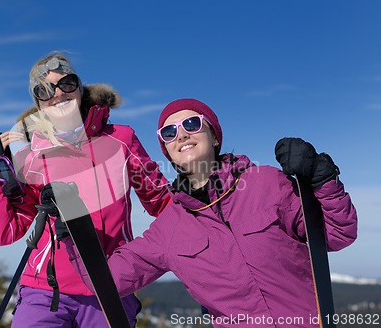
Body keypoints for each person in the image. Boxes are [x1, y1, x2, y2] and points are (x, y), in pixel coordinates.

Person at [52, 98, 358, 327]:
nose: (181, 135)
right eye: (169, 132)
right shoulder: (169, 228)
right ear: (167, 151)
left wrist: (320, 178)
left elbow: (338, 233)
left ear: (214, 135)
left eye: (192, 124)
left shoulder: (266, 182)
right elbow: (105, 282)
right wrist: (75, 233)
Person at [0, 53, 171, 327]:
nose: (58, 95)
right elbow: (4, 231)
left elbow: (161, 201)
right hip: (45, 290)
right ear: (38, 103)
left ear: (79, 87)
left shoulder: (121, 139)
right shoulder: (33, 155)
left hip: (108, 284)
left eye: (66, 83)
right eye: (44, 90)